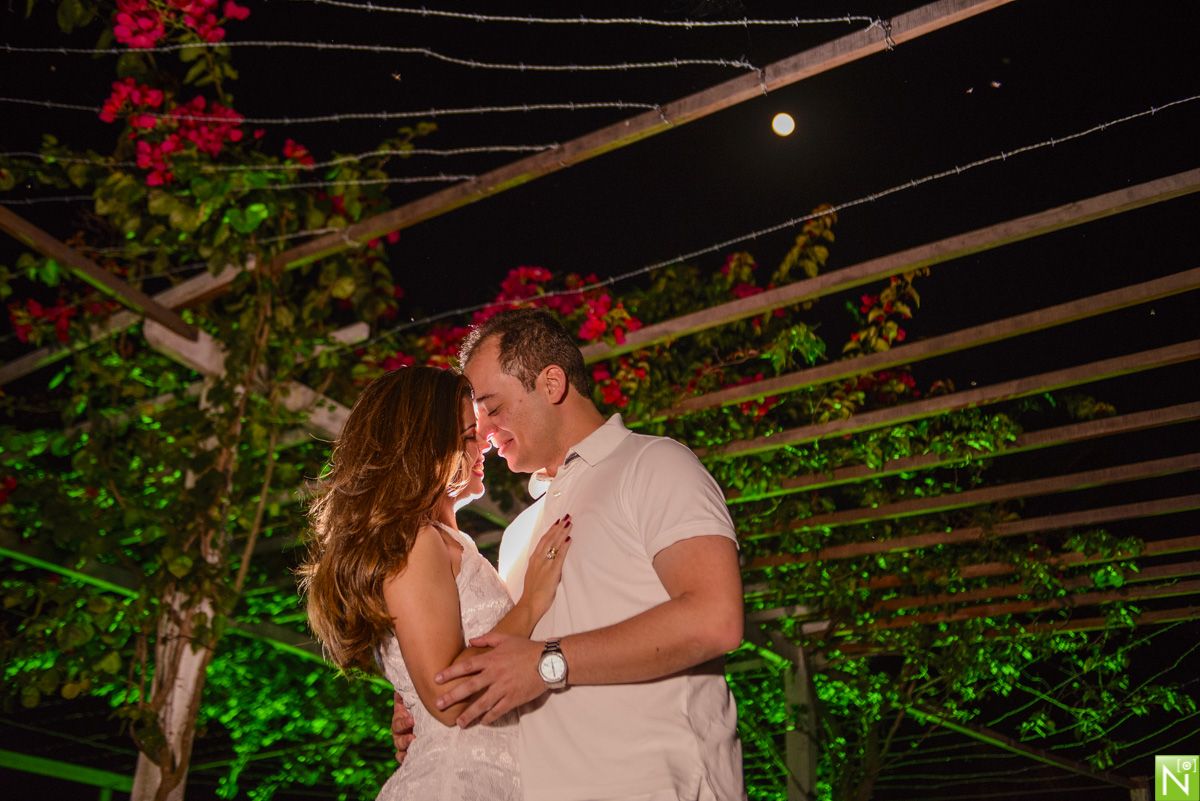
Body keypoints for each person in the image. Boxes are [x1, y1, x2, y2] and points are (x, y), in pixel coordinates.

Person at [395, 308, 747, 801]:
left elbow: (715, 620)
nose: (486, 436)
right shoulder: (518, 536)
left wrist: (546, 663)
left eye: (493, 408)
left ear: (552, 383)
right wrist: (424, 701)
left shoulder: (653, 464)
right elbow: (491, 662)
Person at [298, 366, 573, 801]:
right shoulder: (416, 540)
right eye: (468, 435)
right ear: (424, 449)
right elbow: (448, 696)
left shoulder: (442, 542)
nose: (483, 443)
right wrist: (532, 601)